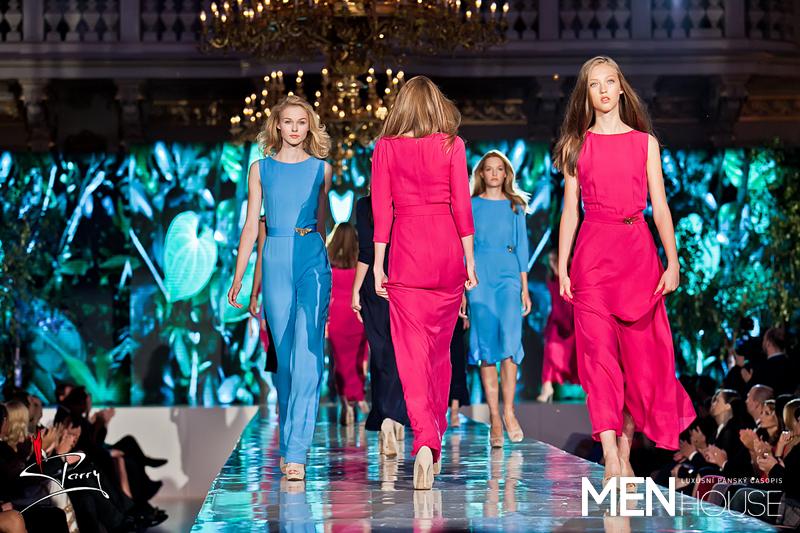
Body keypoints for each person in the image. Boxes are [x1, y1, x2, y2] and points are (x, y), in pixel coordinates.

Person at [554, 55, 696, 485]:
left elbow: (661, 206)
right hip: (592, 258)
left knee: (640, 363)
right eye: (594, 84)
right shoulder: (577, 145)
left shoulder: (644, 143)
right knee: (598, 358)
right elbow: (570, 211)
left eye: (609, 81)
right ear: (587, 93)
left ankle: (625, 445)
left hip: (637, 257)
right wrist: (563, 267)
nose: (603, 90)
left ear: (620, 88)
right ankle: (610, 451)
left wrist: (673, 261)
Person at [371, 75, 477, 489]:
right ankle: (434, 439)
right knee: (439, 355)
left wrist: (378, 263)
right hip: (446, 250)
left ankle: (424, 441)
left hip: (407, 252)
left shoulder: (386, 148)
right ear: (436, 105)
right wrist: (470, 260)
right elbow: (462, 205)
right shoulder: (452, 144)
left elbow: (382, 209)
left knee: (412, 359)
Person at [228, 94, 333, 482]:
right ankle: (289, 443)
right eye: (288, 121)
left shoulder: (322, 169)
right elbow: (249, 227)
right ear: (277, 125)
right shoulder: (260, 169)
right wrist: (239, 276)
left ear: (309, 127)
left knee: (308, 353)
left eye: (301, 122)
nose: (294, 128)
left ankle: (297, 451)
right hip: (274, 258)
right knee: (286, 361)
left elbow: (323, 223)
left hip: (312, 260)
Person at [465, 150, 531, 447]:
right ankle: (494, 417)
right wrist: (463, 285)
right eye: (489, 169)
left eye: (499, 169)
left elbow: (522, 247)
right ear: (481, 173)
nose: (494, 173)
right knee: (486, 346)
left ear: (506, 174)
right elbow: (463, 246)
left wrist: (525, 288)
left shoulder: (516, 206)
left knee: (511, 343)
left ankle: (509, 411)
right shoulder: (471, 205)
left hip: (508, 275)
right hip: (479, 276)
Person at [351, 194, 409, 456]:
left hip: (379, 285)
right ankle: (392, 416)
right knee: (398, 352)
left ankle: (388, 415)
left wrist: (356, 290)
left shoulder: (366, 204)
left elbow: (366, 251)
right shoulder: (401, 200)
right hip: (403, 280)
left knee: (384, 353)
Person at [326, 222, 370, 425]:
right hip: (356, 314)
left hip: (336, 315)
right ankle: (358, 396)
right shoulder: (360, 265)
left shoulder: (328, 266)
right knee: (359, 359)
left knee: (340, 362)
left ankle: (347, 403)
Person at [538, 250, 579, 403]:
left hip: (572, 318)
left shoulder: (572, 272)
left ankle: (590, 388)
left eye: (554, 258)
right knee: (551, 347)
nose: (552, 262)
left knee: (578, 353)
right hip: (557, 319)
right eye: (550, 259)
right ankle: (547, 386)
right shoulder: (551, 276)